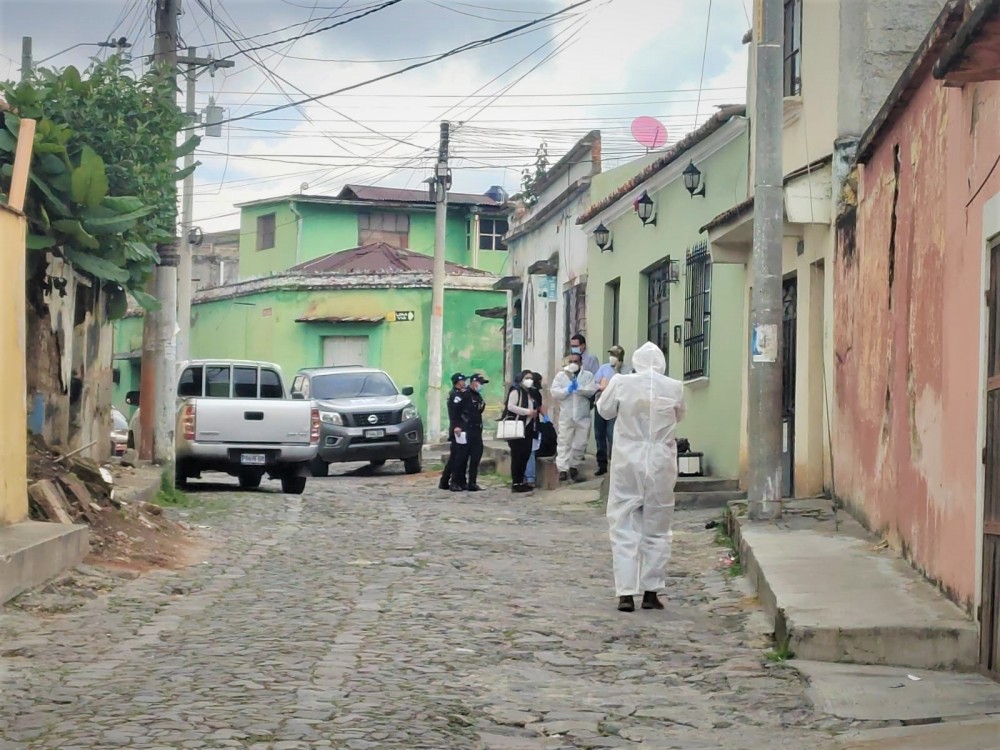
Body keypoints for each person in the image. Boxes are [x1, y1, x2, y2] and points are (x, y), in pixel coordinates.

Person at [597, 342, 686, 613]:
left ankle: (626, 593)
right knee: (658, 526)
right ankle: (651, 591)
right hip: (660, 459)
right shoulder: (674, 386)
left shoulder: (622, 381)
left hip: (628, 457)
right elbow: (679, 415)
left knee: (623, 522)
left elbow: (604, 410)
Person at [550, 352, 597, 482]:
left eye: (575, 361)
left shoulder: (587, 376)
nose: (573, 364)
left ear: (581, 363)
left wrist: (579, 389)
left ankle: (574, 466)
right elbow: (554, 392)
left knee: (580, 442)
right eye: (570, 361)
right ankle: (563, 469)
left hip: (582, 415)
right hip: (566, 414)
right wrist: (567, 390)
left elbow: (591, 390)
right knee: (564, 441)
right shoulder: (561, 376)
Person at [504, 369, 538, 493]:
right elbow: (511, 406)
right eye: (527, 378)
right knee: (517, 456)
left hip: (528, 427)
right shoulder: (516, 391)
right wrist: (528, 412)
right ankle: (516, 482)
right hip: (518, 426)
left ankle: (521, 480)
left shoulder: (530, 393)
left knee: (525, 455)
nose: (530, 380)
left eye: (531, 378)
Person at [593, 345, 625, 476]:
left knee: (612, 434)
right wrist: (600, 386)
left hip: (616, 406)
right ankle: (602, 464)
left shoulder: (626, 370)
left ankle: (615, 462)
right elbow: (595, 382)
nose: (612, 357)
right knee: (599, 434)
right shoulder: (603, 368)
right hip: (601, 404)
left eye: (614, 355)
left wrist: (618, 371)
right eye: (611, 354)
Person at [460, 373, 488, 491]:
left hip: (477, 429)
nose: (481, 385)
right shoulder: (465, 394)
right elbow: (460, 411)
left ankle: (472, 482)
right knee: (464, 457)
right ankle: (461, 481)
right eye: (479, 383)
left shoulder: (477, 395)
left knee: (476, 456)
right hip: (467, 429)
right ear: (473, 382)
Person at [440, 372, 468, 491]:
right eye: (462, 381)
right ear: (458, 382)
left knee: (458, 457)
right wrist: (457, 426)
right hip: (458, 429)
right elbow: (455, 413)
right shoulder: (455, 395)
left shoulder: (461, 394)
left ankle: (450, 481)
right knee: (457, 457)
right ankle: (454, 481)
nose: (464, 383)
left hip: (463, 428)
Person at [525, 371, 547, 486]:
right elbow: (540, 407)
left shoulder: (532, 392)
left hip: (530, 425)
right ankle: (529, 478)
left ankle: (527, 477)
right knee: (530, 452)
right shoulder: (532, 392)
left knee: (527, 452)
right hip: (530, 426)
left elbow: (539, 406)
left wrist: (546, 418)